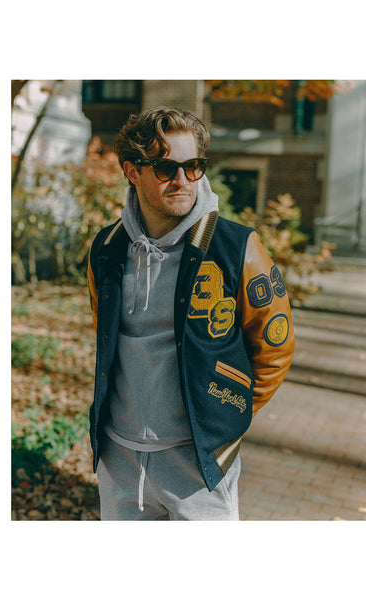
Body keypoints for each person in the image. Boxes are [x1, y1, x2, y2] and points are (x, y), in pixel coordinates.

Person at [86, 106, 295, 520]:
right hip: (120, 459)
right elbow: (105, 336)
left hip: (198, 463)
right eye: (165, 168)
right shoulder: (106, 248)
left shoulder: (237, 247)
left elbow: (275, 348)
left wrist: (223, 418)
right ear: (132, 171)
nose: (183, 181)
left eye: (194, 166)